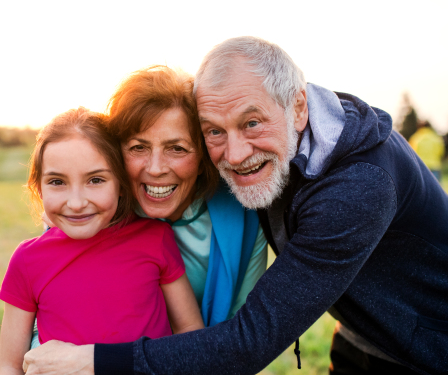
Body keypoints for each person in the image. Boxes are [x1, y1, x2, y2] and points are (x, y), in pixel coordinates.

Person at [22, 37, 448, 375]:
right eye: (214, 131)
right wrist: (76, 203)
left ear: (298, 108)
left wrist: (94, 362)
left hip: (433, 351)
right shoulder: (266, 147)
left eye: (251, 122)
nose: (234, 153)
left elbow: (249, 342)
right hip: (363, 332)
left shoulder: (358, 187)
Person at [22, 66, 269, 372]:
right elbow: (48, 320)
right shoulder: (91, 214)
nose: (155, 169)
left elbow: (241, 336)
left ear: (203, 154)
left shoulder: (243, 220)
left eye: (177, 148)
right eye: (138, 147)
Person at [0, 107, 204, 374]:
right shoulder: (26, 260)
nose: (77, 203)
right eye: (57, 182)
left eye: (96, 180)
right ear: (38, 188)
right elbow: (9, 366)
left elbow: (189, 331)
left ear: (120, 184)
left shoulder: (155, 238)